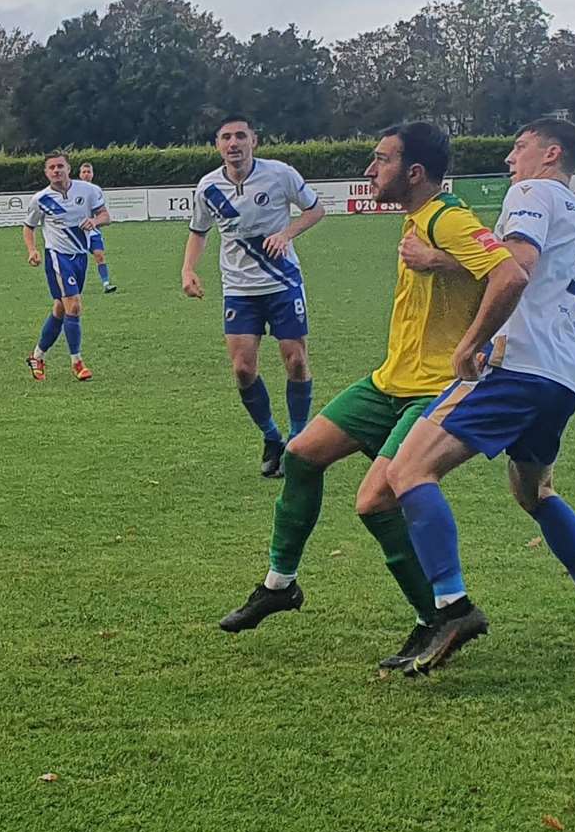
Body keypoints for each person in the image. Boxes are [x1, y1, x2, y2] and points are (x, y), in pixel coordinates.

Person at [217, 122, 521, 671]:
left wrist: (469, 341)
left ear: (414, 173)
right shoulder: (419, 217)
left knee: (374, 501)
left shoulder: (448, 217)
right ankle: (280, 585)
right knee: (300, 456)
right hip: (388, 382)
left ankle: (442, 616)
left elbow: (511, 275)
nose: (369, 169)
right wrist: (441, 266)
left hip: (432, 391)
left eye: (380, 160)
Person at [388, 118, 575, 675]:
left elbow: (515, 269)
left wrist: (467, 334)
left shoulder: (531, 192)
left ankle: (453, 607)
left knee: (408, 473)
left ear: (550, 154)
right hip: (563, 376)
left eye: (518, 148)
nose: (509, 160)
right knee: (536, 493)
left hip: (515, 367)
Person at [182, 116, 325, 477]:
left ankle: (297, 439)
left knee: (295, 362)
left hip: (283, 283)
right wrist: (188, 269)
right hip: (239, 288)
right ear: (218, 145)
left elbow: (315, 209)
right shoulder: (208, 187)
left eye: (240, 136)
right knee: (243, 369)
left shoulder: (279, 174)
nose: (234, 143)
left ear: (254, 141)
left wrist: (288, 234)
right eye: (226, 137)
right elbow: (198, 232)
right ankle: (272, 437)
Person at [24, 154, 109, 381]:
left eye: (60, 166)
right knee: (74, 306)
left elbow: (105, 215)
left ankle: (37, 356)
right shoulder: (41, 199)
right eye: (51, 167)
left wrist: (95, 222)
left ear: (69, 168)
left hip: (80, 256)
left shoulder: (88, 190)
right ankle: (77, 362)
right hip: (57, 257)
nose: (56, 170)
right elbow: (29, 227)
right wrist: (32, 250)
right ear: (46, 172)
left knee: (60, 309)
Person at [77, 163, 118, 293]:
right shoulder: (73, 189)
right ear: (80, 174)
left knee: (99, 255)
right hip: (76, 231)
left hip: (92, 230)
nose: (86, 174)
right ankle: (74, 286)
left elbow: (102, 213)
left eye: (88, 171)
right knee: (76, 259)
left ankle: (106, 284)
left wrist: (95, 221)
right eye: (83, 172)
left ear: (92, 174)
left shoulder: (96, 190)